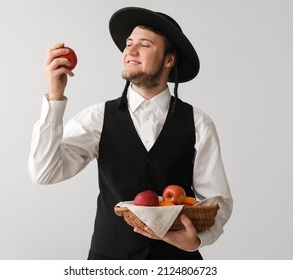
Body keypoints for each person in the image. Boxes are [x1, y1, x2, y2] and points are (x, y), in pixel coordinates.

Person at [28, 7, 233, 260]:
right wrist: (55, 96)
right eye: (128, 44)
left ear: (169, 60)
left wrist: (196, 241)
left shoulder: (199, 123)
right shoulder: (97, 118)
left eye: (144, 45)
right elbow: (44, 172)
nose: (130, 51)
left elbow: (218, 201)